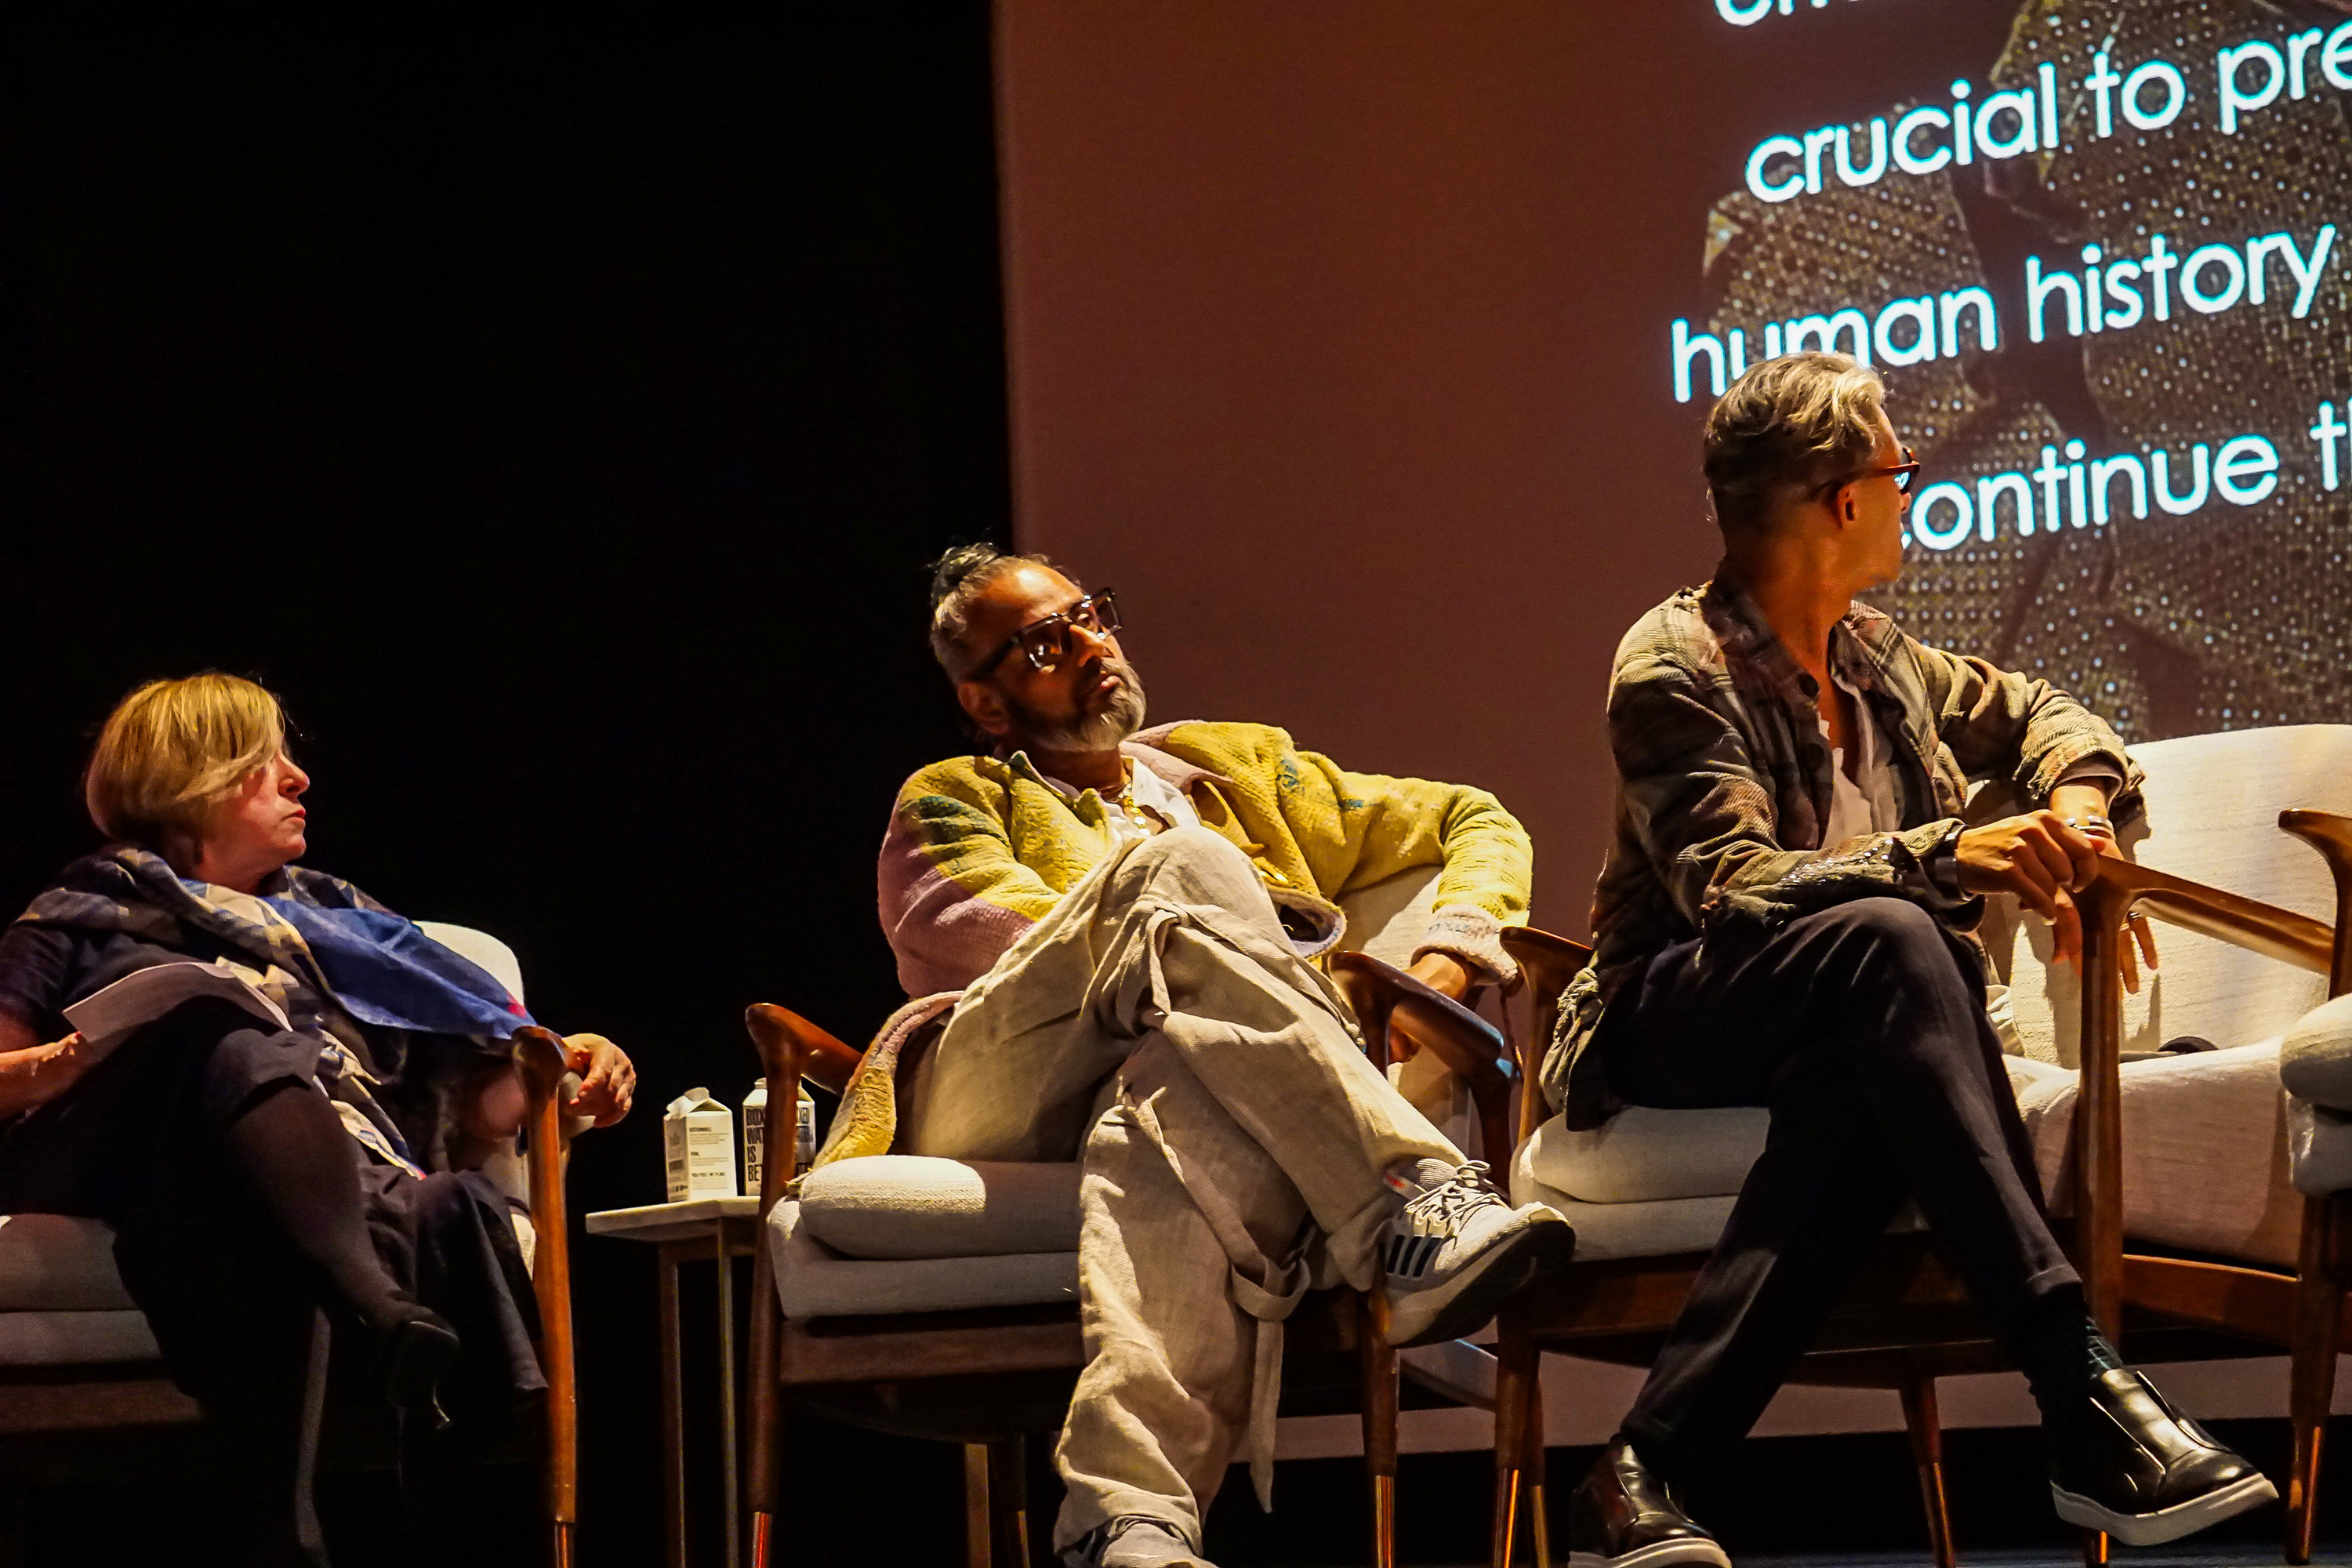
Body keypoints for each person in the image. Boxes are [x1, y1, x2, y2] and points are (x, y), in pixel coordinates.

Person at [1546, 353, 2274, 1568]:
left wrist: (2082, 814)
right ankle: (2079, 1386)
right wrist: (1951, 849)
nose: (1909, 494)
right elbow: (1729, 890)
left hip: (1853, 1019)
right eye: (1902, 472)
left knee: (1860, 1093)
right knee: (1896, 936)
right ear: (1843, 500)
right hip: (1675, 1008)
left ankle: (1643, 1471)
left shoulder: (1880, 658)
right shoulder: (1673, 664)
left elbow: (2052, 716)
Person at [862, 545, 1571, 1568]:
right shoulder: (955, 795)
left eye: (1092, 615)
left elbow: (1474, 817)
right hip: (999, 1083)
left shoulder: (1234, 769)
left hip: (1175, 1081)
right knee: (1183, 870)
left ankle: (1127, 1518)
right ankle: (1404, 1201)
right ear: (985, 702)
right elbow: (986, 943)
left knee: (1163, 1105)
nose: (1091, 645)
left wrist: (1450, 959)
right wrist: (1228, 941)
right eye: (1047, 644)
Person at [0, 673, 638, 1567]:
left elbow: (461, 1100)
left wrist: (564, 1078)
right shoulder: (66, 920)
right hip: (103, 1151)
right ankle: (376, 1303)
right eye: (266, 766)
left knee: (248, 1208)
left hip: (275, 1174)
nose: (298, 778)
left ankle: (286, 1536)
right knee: (216, 1023)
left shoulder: (345, 926)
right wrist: (77, 1057)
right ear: (192, 778)